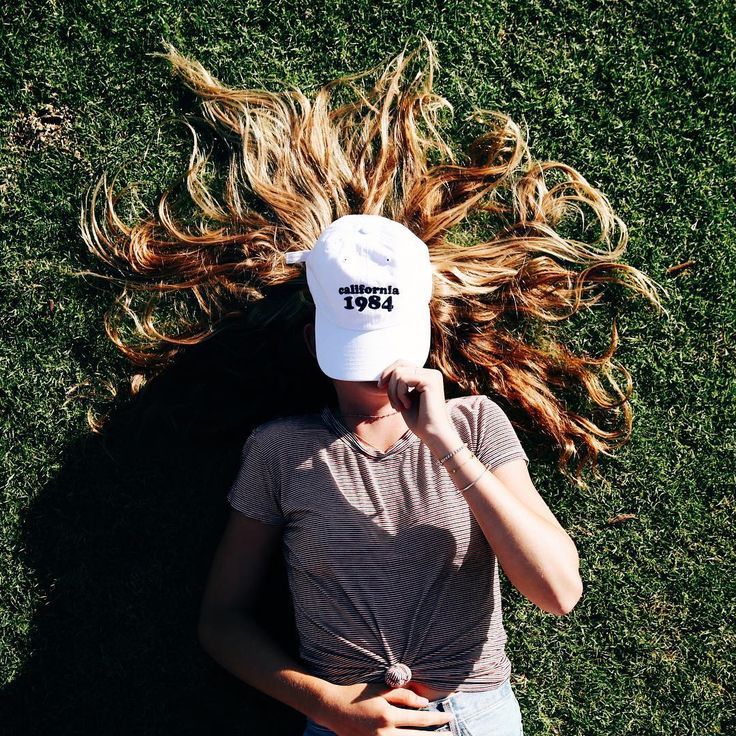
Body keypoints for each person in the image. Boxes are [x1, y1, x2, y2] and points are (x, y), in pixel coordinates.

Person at [78, 35, 666, 736]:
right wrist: (326, 705)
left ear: (426, 327)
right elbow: (222, 620)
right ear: (313, 342)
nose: (376, 375)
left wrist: (445, 444)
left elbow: (559, 591)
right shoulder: (280, 450)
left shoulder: (476, 425)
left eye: (387, 347)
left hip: (476, 715)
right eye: (354, 351)